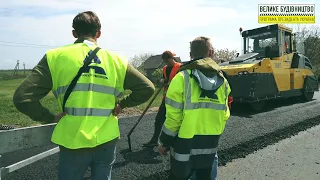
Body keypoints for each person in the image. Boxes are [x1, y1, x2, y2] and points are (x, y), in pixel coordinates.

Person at [13, 11, 155, 180]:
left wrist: (49, 117)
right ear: (99, 33)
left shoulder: (55, 57)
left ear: (74, 33)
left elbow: (22, 98)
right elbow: (148, 87)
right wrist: (122, 104)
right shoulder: (117, 60)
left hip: (73, 140)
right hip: (106, 139)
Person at [156, 36, 232, 180]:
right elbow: (225, 115)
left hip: (184, 148)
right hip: (210, 147)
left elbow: (173, 118)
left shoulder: (181, 78)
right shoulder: (223, 82)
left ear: (191, 55)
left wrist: (164, 143)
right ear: (210, 53)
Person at [143, 50, 182, 147]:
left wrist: (169, 83)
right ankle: (154, 140)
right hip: (166, 98)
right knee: (159, 119)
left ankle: (178, 141)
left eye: (167, 61)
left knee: (175, 120)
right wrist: (162, 80)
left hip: (178, 99)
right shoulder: (165, 68)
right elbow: (165, 79)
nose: (166, 63)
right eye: (165, 61)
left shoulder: (180, 68)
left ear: (172, 58)